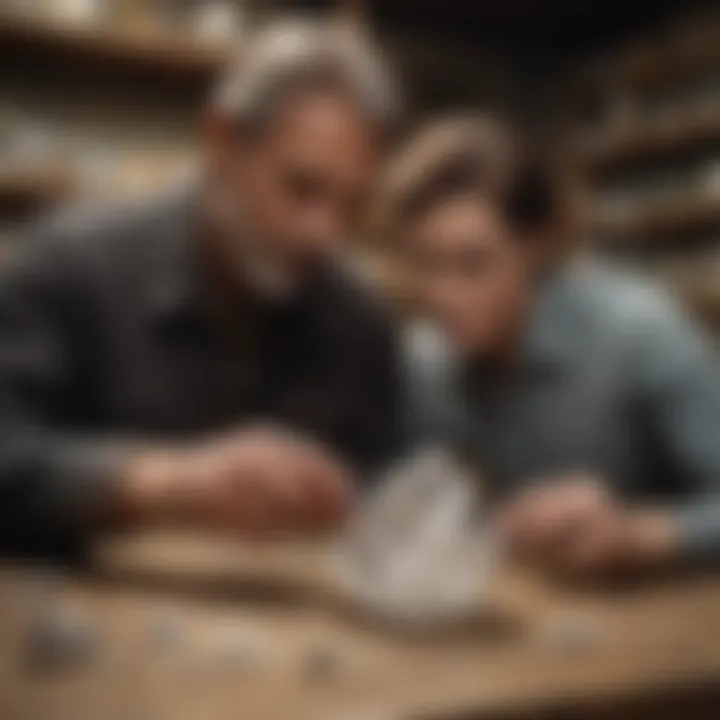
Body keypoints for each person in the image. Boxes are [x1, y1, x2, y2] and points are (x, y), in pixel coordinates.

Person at [0, 19, 402, 556]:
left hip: (284, 628)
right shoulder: (68, 266)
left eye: (351, 206)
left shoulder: (361, 326)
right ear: (222, 142)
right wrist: (161, 482)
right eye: (302, 188)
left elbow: (388, 502)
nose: (324, 235)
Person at [382, 115, 720, 577]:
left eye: (471, 263)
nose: (443, 297)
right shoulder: (427, 362)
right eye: (426, 263)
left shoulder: (640, 334)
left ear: (537, 248)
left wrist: (639, 533)